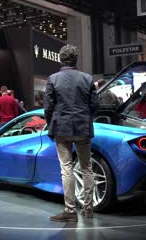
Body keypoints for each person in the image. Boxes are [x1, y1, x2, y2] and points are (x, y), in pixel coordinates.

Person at [44, 44, 97, 222]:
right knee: (86, 167)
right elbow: (95, 106)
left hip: (61, 128)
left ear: (61, 59)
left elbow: (48, 107)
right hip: (83, 127)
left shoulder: (53, 78)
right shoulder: (87, 79)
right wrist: (85, 116)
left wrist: (51, 122)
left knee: (66, 169)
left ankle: (70, 210)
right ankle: (88, 208)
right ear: (76, 59)